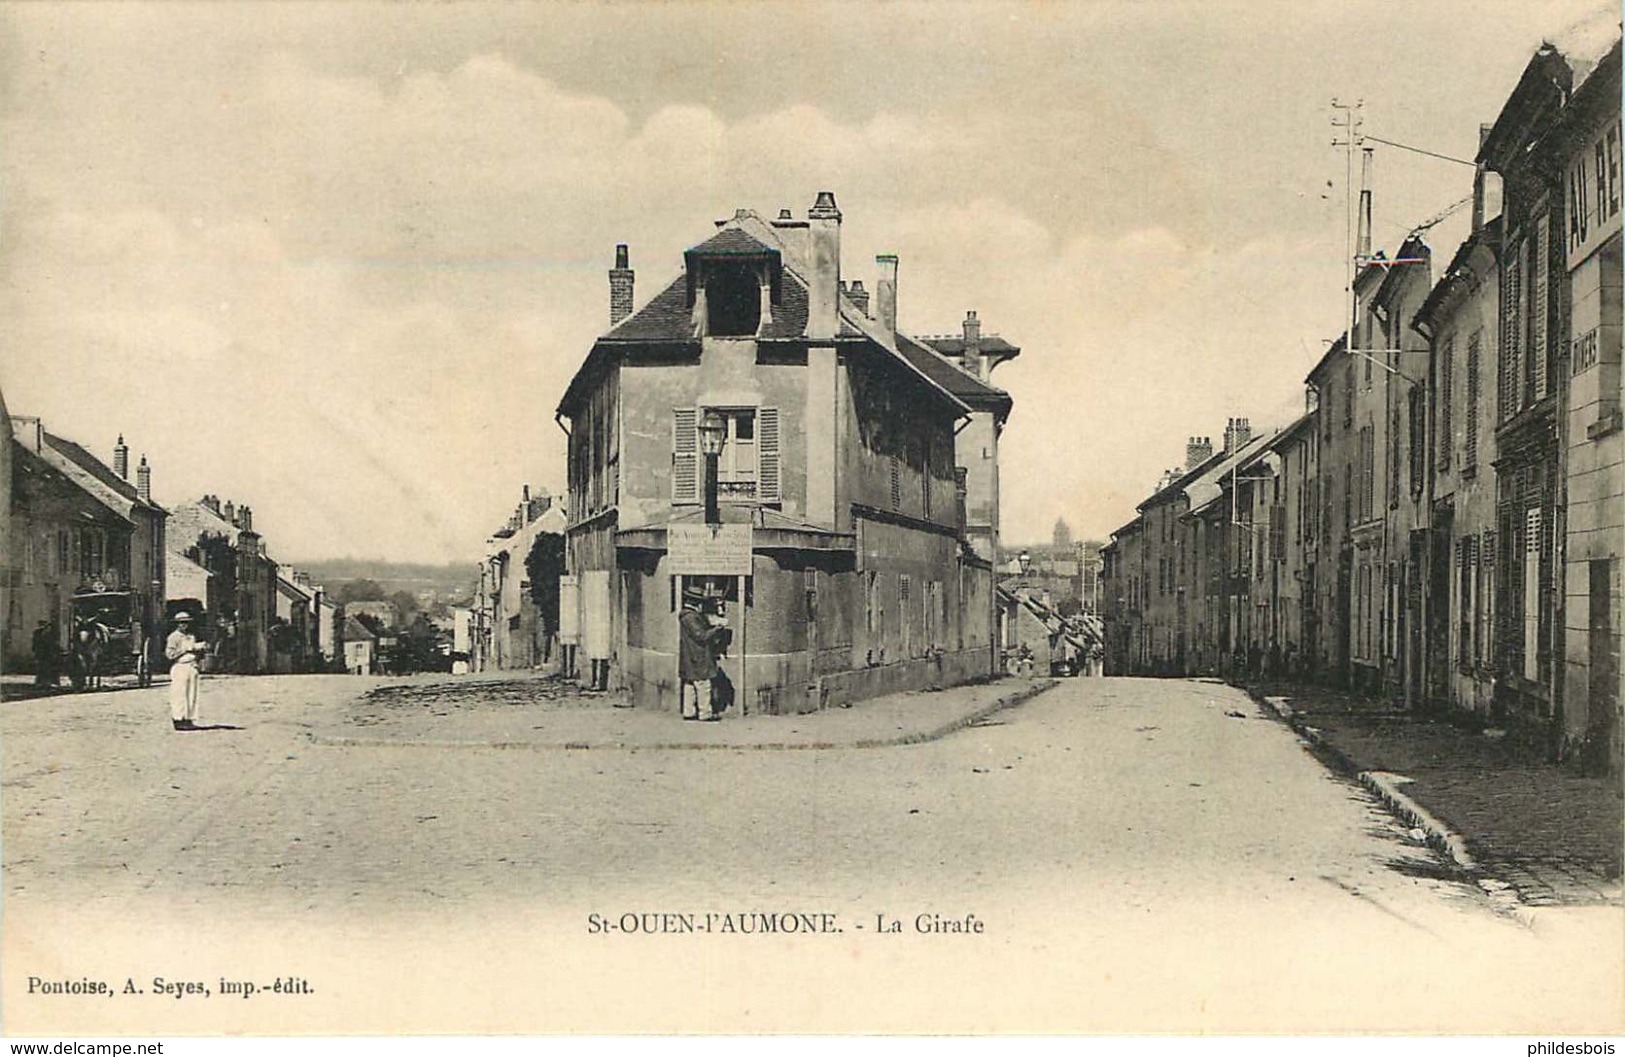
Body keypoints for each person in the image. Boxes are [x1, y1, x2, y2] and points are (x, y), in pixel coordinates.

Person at [678, 587, 726, 721]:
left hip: (689, 654)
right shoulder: (690, 617)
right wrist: (717, 629)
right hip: (697, 654)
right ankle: (705, 713)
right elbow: (701, 636)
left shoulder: (686, 615)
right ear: (696, 603)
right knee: (703, 684)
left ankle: (689, 711)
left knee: (690, 683)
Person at [165, 612, 208, 731]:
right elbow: (170, 655)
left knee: (191, 693)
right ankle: (178, 719)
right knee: (179, 694)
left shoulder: (191, 636)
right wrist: (185, 649)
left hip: (191, 666)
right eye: (181, 623)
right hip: (180, 666)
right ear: (177, 624)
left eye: (186, 623)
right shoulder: (173, 637)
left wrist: (199, 651)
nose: (184, 625)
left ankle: (189, 718)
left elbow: (197, 652)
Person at [31, 619, 58, 688]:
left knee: (46, 668)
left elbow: (51, 644)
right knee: (41, 668)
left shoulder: (48, 633)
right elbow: (35, 643)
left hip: (46, 653)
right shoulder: (38, 633)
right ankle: (40, 683)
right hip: (42, 653)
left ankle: (45, 682)